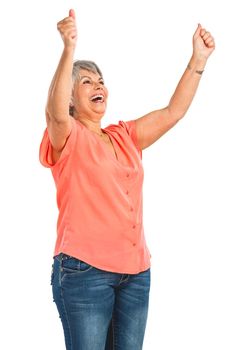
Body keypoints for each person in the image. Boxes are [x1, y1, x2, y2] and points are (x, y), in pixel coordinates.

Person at [39, 8, 215, 350]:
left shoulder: (124, 135)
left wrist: (199, 59)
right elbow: (54, 112)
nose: (97, 85)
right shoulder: (68, 136)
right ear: (72, 99)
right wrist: (68, 49)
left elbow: (172, 112)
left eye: (100, 80)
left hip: (135, 274)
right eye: (86, 81)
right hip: (84, 273)